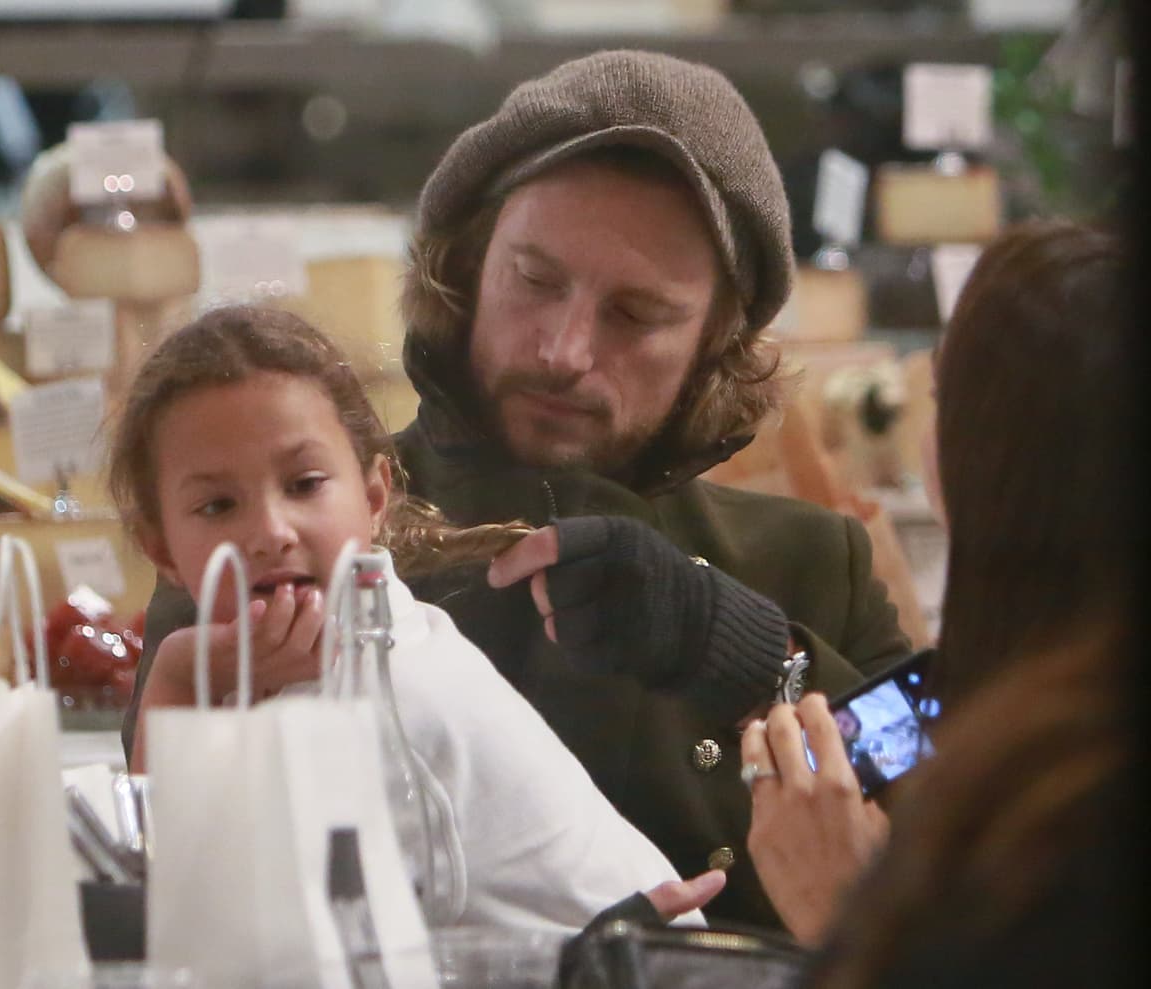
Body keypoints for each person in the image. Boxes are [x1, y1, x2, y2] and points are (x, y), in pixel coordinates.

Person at [131, 49, 911, 927]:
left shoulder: (807, 559)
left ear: (716, 342)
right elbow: (178, 905)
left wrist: (739, 647)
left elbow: (944, 802)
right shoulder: (285, 532)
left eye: (636, 315)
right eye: (534, 281)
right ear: (465, 268)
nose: (563, 350)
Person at [107, 304, 720, 930]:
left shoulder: (372, 696)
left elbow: (186, 923)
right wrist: (181, 673)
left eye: (304, 484)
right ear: (162, 551)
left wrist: (175, 681)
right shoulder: (305, 664)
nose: (271, 531)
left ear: (374, 498)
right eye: (217, 505)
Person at [738, 221, 1139, 977]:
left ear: (992, 459)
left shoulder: (1063, 808)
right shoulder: (949, 696)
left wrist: (842, 914)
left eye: (942, 398)